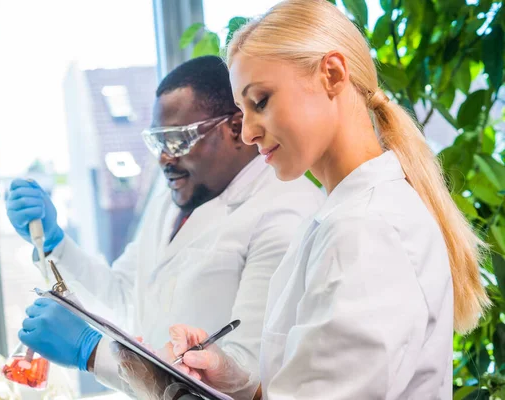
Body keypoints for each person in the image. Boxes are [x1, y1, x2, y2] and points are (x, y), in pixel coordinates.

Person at [114, 1, 490, 399]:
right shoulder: (343, 215)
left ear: (332, 74)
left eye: (260, 102)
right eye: (243, 111)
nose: (248, 134)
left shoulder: (365, 230)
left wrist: (162, 388)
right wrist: (234, 380)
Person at [6, 55, 324, 394]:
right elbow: (124, 296)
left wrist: (92, 351)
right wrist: (55, 244)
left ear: (235, 128)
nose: (164, 158)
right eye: (157, 141)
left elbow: (245, 380)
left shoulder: (286, 212)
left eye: (177, 139)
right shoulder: (173, 199)